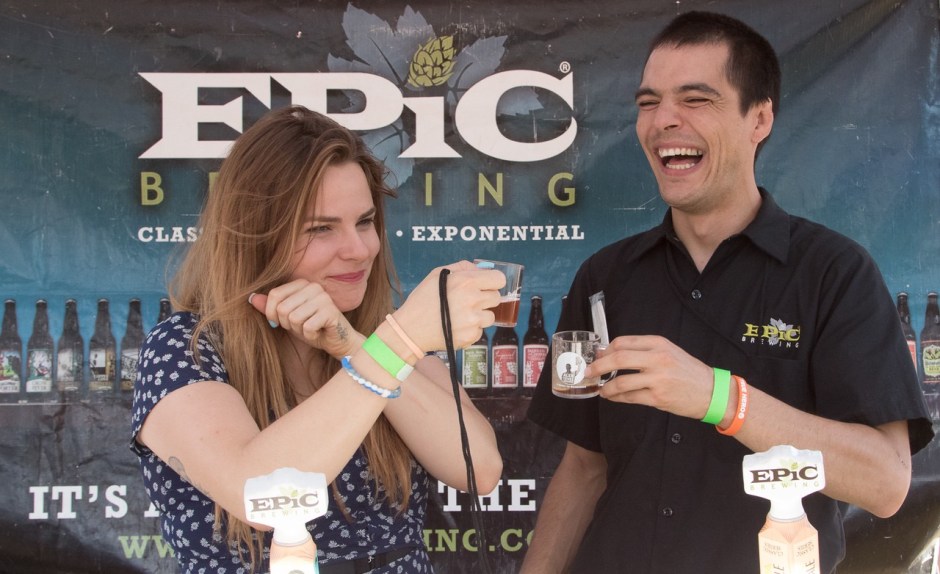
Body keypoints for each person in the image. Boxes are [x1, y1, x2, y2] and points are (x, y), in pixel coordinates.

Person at [523, 11, 934, 574]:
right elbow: (582, 469)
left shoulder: (833, 273)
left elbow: (885, 481)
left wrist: (720, 398)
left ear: (759, 119)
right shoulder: (605, 278)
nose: (664, 119)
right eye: (648, 102)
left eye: (696, 99)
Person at [131, 106, 504, 574]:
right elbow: (261, 494)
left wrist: (356, 346)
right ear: (255, 237)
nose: (359, 249)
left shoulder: (378, 341)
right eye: (321, 229)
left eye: (365, 222)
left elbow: (479, 468)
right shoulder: (186, 346)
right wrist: (399, 341)